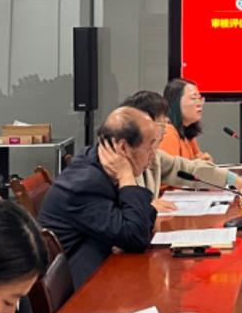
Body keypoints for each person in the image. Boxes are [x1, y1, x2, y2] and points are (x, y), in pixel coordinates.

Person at [39, 106, 161, 286]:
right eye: (150, 145)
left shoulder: (98, 164)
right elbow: (136, 236)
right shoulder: (85, 183)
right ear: (123, 147)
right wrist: (126, 176)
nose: (153, 155)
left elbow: (142, 222)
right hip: (77, 290)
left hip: (97, 270)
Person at [122, 90, 242, 211]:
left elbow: (190, 169)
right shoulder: (118, 164)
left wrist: (234, 180)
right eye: (162, 124)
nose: (165, 130)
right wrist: (147, 207)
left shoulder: (156, 156)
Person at [161, 77, 212, 161]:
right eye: (193, 98)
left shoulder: (187, 131)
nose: (199, 104)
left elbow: (199, 160)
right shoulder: (167, 132)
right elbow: (170, 168)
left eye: (200, 98)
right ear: (175, 102)